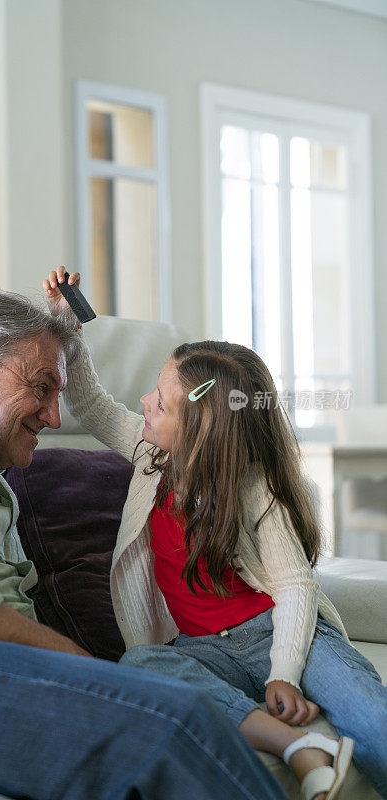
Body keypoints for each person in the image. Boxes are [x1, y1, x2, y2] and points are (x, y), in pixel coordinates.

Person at [0, 290, 289, 800]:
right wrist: (78, 665)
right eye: (41, 388)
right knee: (172, 720)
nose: (55, 417)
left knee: (175, 706)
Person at [44, 268, 387, 800]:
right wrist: (67, 328)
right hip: (204, 650)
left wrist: (284, 675)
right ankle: (296, 746)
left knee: (370, 714)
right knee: (142, 663)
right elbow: (89, 403)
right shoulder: (147, 453)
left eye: (159, 401)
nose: (143, 403)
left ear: (201, 428)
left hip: (278, 630)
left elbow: (295, 587)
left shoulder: (252, 488)